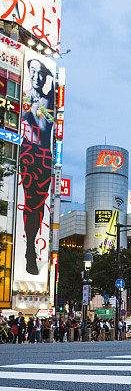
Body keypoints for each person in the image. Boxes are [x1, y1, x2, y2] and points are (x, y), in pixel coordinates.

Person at [19, 57, 55, 276]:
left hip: (44, 156)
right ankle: (30, 250)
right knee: (30, 203)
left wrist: (52, 74)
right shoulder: (21, 97)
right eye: (32, 71)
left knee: (38, 205)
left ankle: (31, 248)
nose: (36, 76)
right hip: (26, 153)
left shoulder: (49, 99)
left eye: (40, 72)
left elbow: (45, 124)